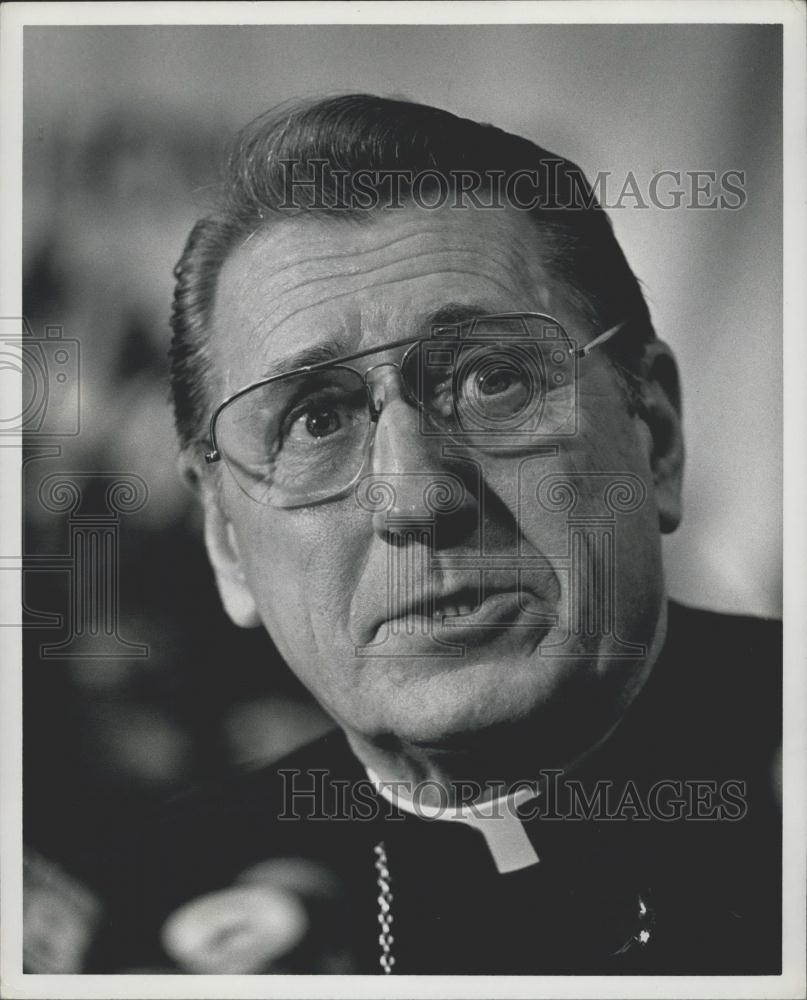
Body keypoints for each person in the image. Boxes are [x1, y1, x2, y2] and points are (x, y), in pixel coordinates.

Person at [86, 95, 781, 975]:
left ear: (655, 434)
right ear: (226, 537)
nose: (414, 497)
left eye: (492, 380)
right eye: (315, 421)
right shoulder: (162, 905)